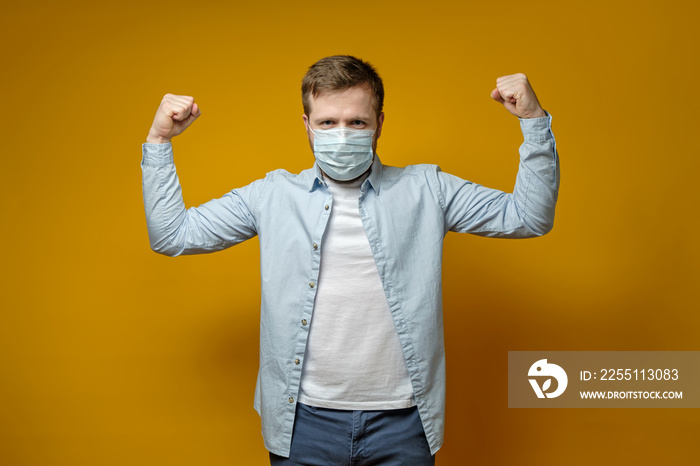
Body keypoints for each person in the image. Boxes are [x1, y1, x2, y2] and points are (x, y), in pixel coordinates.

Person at [141, 55, 559, 465]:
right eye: (327, 123)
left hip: (404, 423)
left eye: (356, 122)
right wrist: (159, 142)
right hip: (302, 422)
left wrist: (534, 123)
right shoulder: (270, 196)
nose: (342, 134)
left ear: (379, 123)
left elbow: (528, 217)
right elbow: (173, 235)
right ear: (306, 125)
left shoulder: (428, 189)